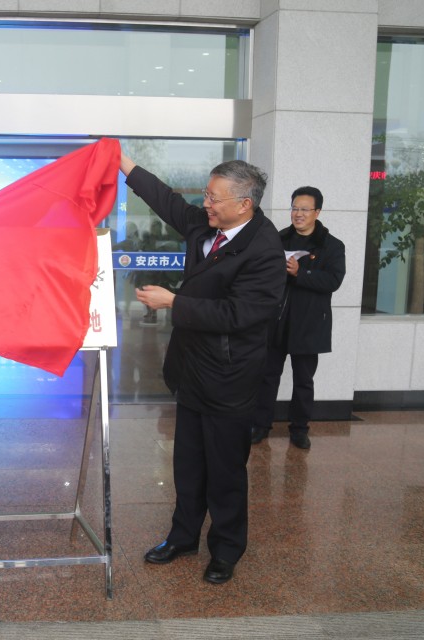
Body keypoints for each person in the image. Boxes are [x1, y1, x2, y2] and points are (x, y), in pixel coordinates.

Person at [120, 153, 285, 585]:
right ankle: (183, 537)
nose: (205, 204)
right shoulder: (208, 225)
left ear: (244, 204)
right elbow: (167, 201)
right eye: (206, 196)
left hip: (230, 375)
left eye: (214, 198)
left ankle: (226, 550)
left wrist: (175, 302)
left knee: (225, 470)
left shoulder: (265, 249)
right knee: (188, 463)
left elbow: (240, 314)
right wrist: (123, 162)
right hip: (192, 368)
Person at [250, 186, 346, 450]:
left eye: (304, 209)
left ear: (317, 212)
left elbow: (333, 281)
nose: (298, 214)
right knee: (267, 376)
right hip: (276, 321)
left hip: (309, 324)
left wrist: (299, 273)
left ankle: (300, 429)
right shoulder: (278, 239)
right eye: (294, 208)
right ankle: (260, 425)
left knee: (303, 381)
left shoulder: (332, 246)